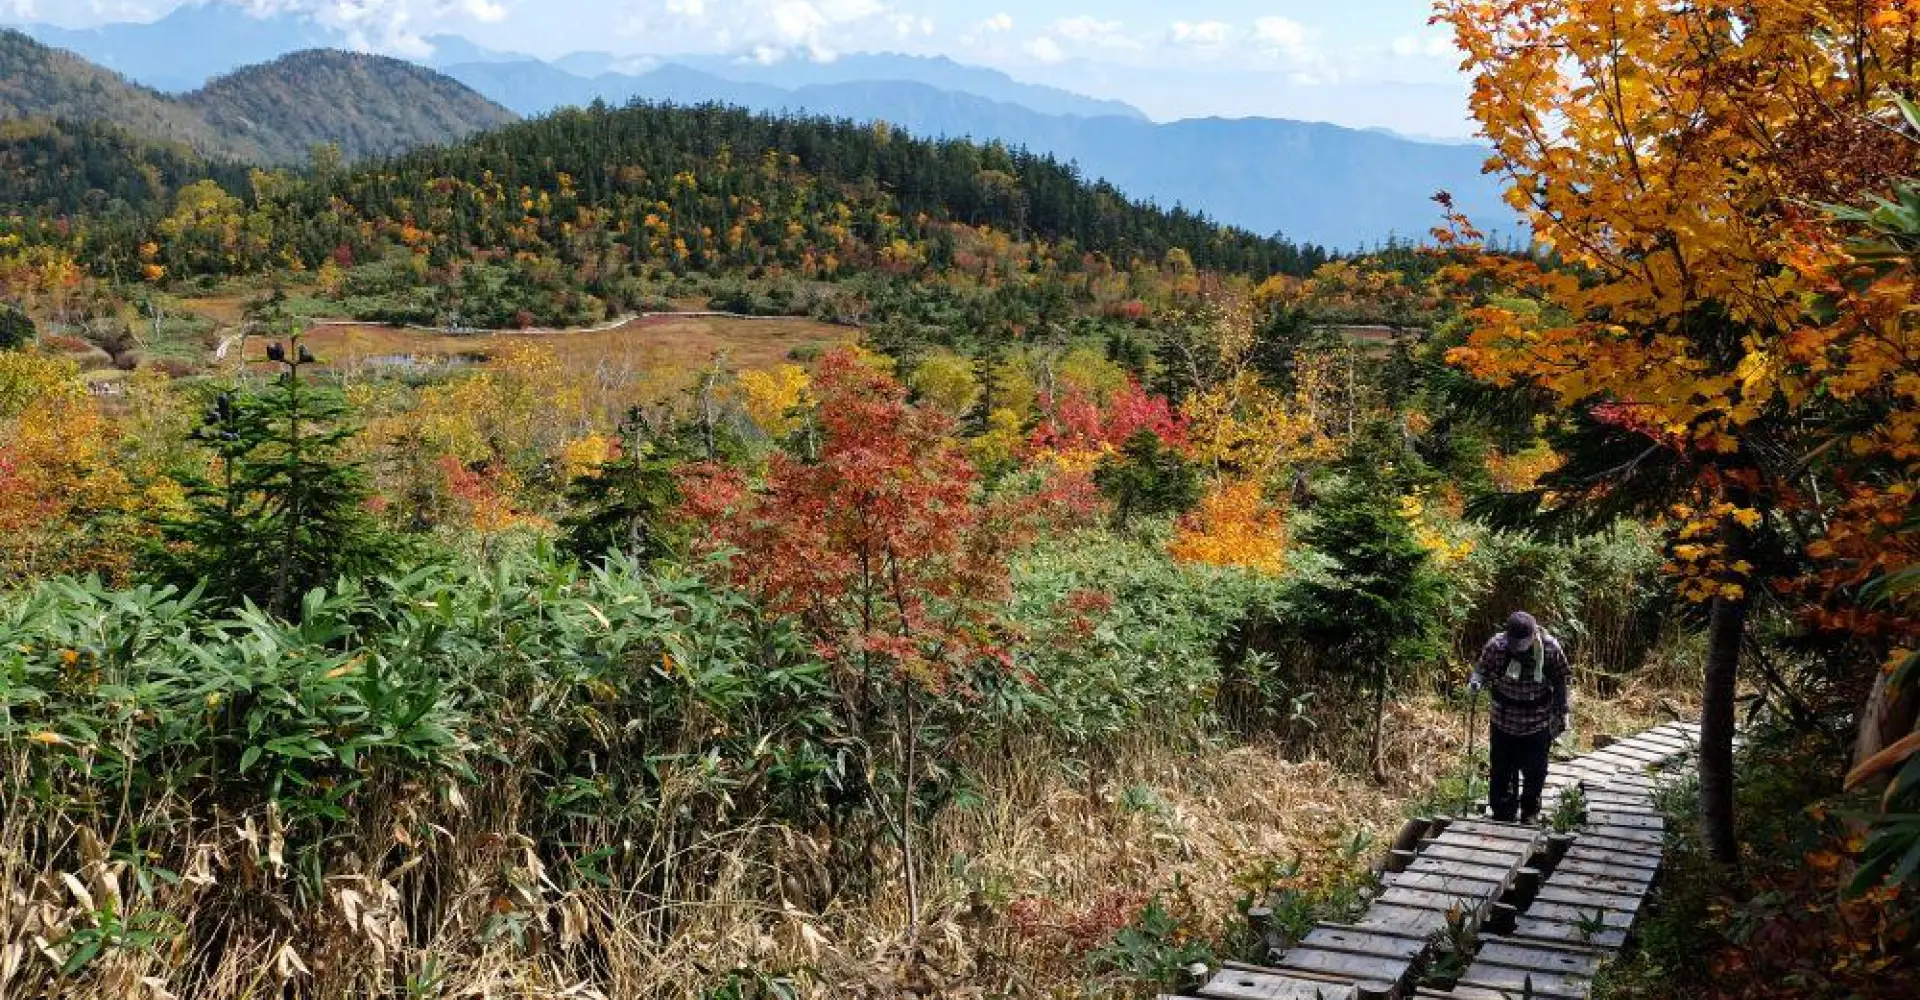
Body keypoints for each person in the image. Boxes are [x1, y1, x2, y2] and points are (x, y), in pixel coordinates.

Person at [1468, 611, 1571, 824]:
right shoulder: (1497, 646)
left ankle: (1530, 812)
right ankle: (1503, 812)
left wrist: (1562, 711)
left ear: (1534, 635)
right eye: (1515, 642)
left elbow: (1561, 678)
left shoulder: (1550, 648)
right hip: (1503, 720)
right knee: (1502, 769)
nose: (1519, 647)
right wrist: (1475, 682)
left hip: (1538, 721)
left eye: (1523, 642)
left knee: (1535, 771)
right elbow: (1482, 669)